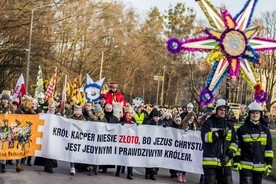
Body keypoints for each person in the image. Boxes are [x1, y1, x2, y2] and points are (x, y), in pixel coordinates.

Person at [233, 101, 273, 184]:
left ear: (260, 114)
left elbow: (268, 149)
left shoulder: (266, 131)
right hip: (245, 166)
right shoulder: (242, 129)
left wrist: (269, 163)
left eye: (257, 113)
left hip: (259, 167)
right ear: (249, 114)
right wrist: (236, 161)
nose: (255, 115)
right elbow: (238, 147)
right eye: (252, 113)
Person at [201, 99, 237, 184]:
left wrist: (230, 154)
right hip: (210, 162)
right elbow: (205, 138)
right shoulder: (208, 123)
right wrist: (217, 134)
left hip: (225, 163)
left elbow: (234, 142)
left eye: (225, 110)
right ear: (216, 110)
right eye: (221, 110)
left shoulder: (229, 125)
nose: (223, 112)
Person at [34, 102, 58, 173]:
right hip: (44, 135)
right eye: (50, 107)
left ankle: (49, 167)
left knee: (51, 151)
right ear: (48, 107)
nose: (51, 109)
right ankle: (45, 166)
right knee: (44, 150)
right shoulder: (44, 114)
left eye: (53, 107)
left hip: (53, 136)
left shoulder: (57, 115)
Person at [116, 109, 136, 180]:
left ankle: (129, 174)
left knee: (130, 159)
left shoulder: (134, 123)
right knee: (121, 157)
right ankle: (118, 171)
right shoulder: (121, 122)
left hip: (130, 143)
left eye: (131, 113)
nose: (130, 115)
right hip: (122, 143)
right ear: (125, 114)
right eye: (128, 113)